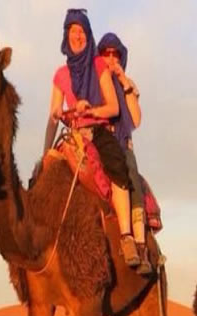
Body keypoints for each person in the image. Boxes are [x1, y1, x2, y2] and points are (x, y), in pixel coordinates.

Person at [44, 9, 140, 269]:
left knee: (118, 168)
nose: (77, 36)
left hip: (97, 131)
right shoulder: (60, 75)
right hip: (72, 133)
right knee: (42, 178)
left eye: (81, 31)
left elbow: (113, 108)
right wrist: (46, 150)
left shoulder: (98, 65)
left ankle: (126, 235)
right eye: (72, 31)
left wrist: (89, 111)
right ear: (66, 36)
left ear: (88, 35)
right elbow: (53, 117)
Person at [97, 32, 152, 275]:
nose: (110, 58)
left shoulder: (127, 84)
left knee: (131, 178)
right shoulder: (94, 83)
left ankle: (138, 245)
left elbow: (136, 120)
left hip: (122, 143)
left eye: (115, 54)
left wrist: (123, 80)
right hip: (98, 140)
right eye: (106, 54)